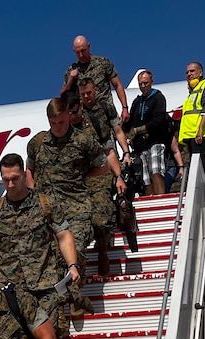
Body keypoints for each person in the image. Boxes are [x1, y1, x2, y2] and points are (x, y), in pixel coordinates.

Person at [27, 97, 105, 334]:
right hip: (48, 210)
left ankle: (73, 293)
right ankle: (70, 299)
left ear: (68, 117)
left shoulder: (83, 140)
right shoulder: (38, 142)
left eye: (61, 121)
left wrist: (79, 179)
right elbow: (30, 168)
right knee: (51, 258)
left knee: (76, 250)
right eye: (53, 122)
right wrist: (33, 194)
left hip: (76, 206)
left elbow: (102, 166)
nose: (57, 127)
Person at [0, 154, 81, 332]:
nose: (10, 184)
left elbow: (64, 236)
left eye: (15, 179)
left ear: (25, 175)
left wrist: (72, 265)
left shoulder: (46, 204)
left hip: (45, 285)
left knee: (49, 338)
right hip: (9, 288)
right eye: (6, 180)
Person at [76, 79, 129, 278]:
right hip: (82, 175)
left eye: (89, 93)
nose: (86, 97)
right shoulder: (75, 115)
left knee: (101, 218)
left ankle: (102, 251)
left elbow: (115, 134)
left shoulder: (104, 109)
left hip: (102, 169)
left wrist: (125, 155)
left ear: (96, 91)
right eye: (83, 94)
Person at [60, 35, 130, 125]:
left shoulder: (103, 63)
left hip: (107, 116)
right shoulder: (71, 71)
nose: (81, 55)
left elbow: (117, 85)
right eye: (78, 52)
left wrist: (125, 108)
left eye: (83, 50)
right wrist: (70, 80)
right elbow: (63, 96)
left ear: (88, 46)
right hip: (86, 122)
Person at [126, 70, 171, 196]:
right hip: (140, 145)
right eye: (140, 84)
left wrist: (139, 130)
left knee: (156, 171)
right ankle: (150, 200)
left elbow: (159, 120)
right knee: (145, 178)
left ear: (151, 81)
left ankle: (160, 198)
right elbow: (131, 121)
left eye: (145, 83)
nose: (143, 86)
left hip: (155, 141)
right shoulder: (137, 102)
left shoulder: (158, 97)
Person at [179, 62, 205, 186]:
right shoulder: (193, 91)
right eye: (187, 72)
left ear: (200, 73)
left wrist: (200, 129)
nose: (189, 74)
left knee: (203, 163)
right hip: (191, 135)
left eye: (192, 71)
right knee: (195, 165)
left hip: (203, 134)